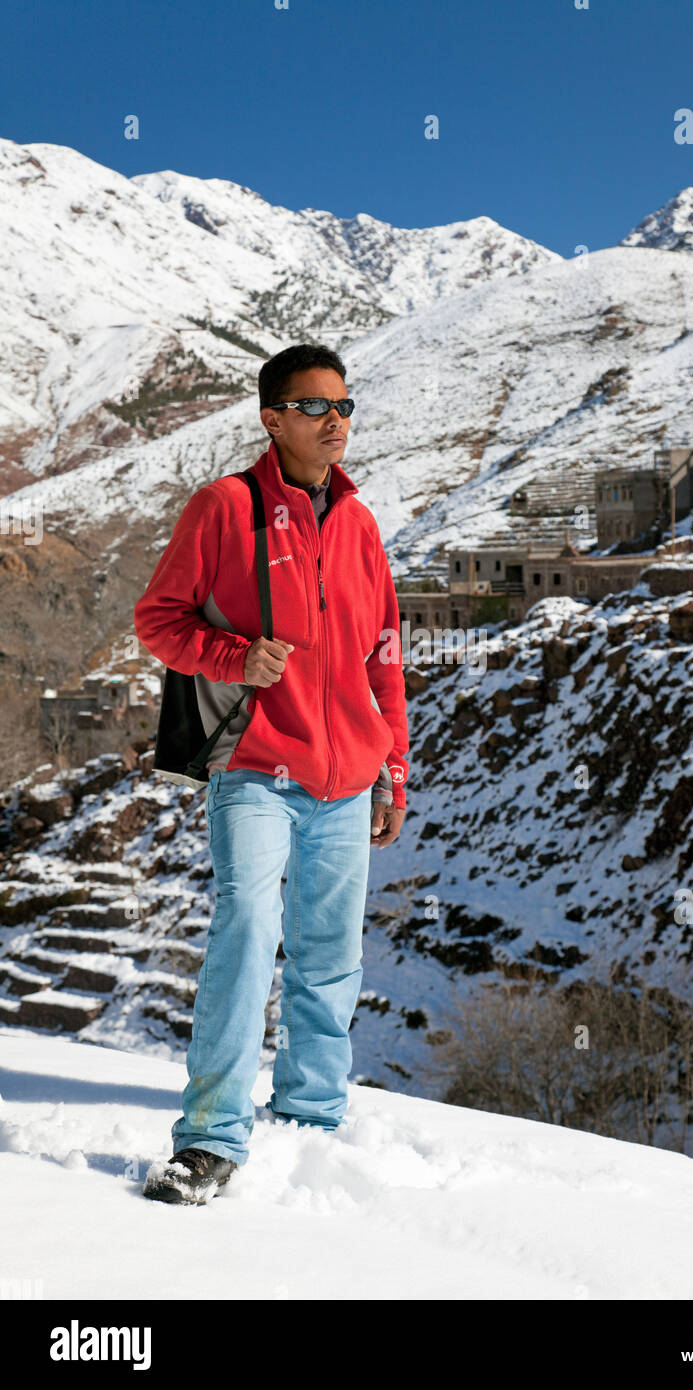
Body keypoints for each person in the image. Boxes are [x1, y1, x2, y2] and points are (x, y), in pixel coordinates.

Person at [133, 343, 409, 1204]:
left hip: (349, 773)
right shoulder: (225, 508)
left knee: (330, 954)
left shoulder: (360, 523)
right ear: (272, 418)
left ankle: (312, 1120)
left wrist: (392, 765)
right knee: (248, 928)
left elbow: (384, 651)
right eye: (317, 406)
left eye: (346, 405)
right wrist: (232, 655)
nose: (338, 422)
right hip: (256, 764)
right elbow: (158, 620)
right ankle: (211, 1136)